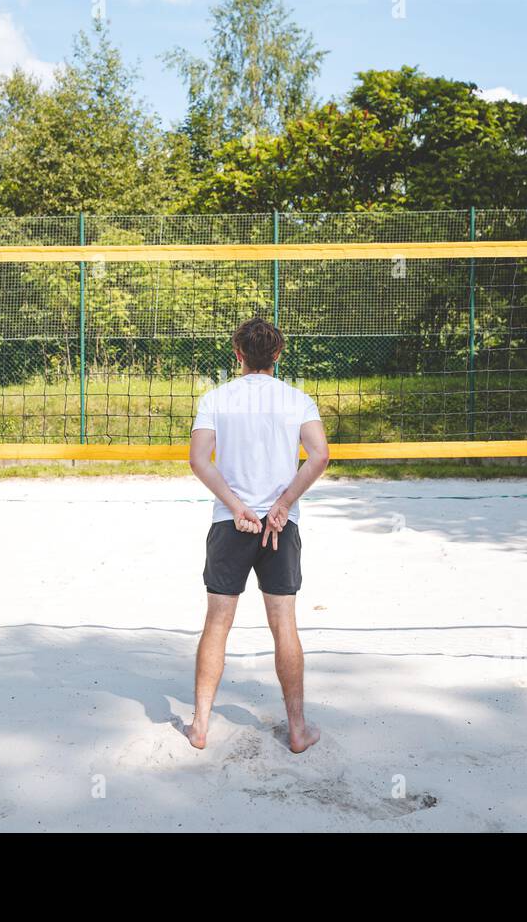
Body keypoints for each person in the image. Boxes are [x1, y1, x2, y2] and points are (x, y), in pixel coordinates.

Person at [186, 317, 329, 754]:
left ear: (238, 355)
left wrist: (234, 506)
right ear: (278, 355)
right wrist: (283, 504)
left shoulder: (216, 398)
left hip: (232, 523)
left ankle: (200, 726)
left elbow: (198, 459)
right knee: (284, 624)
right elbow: (320, 456)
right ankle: (298, 730)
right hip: (279, 526)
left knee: (217, 623)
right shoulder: (297, 399)